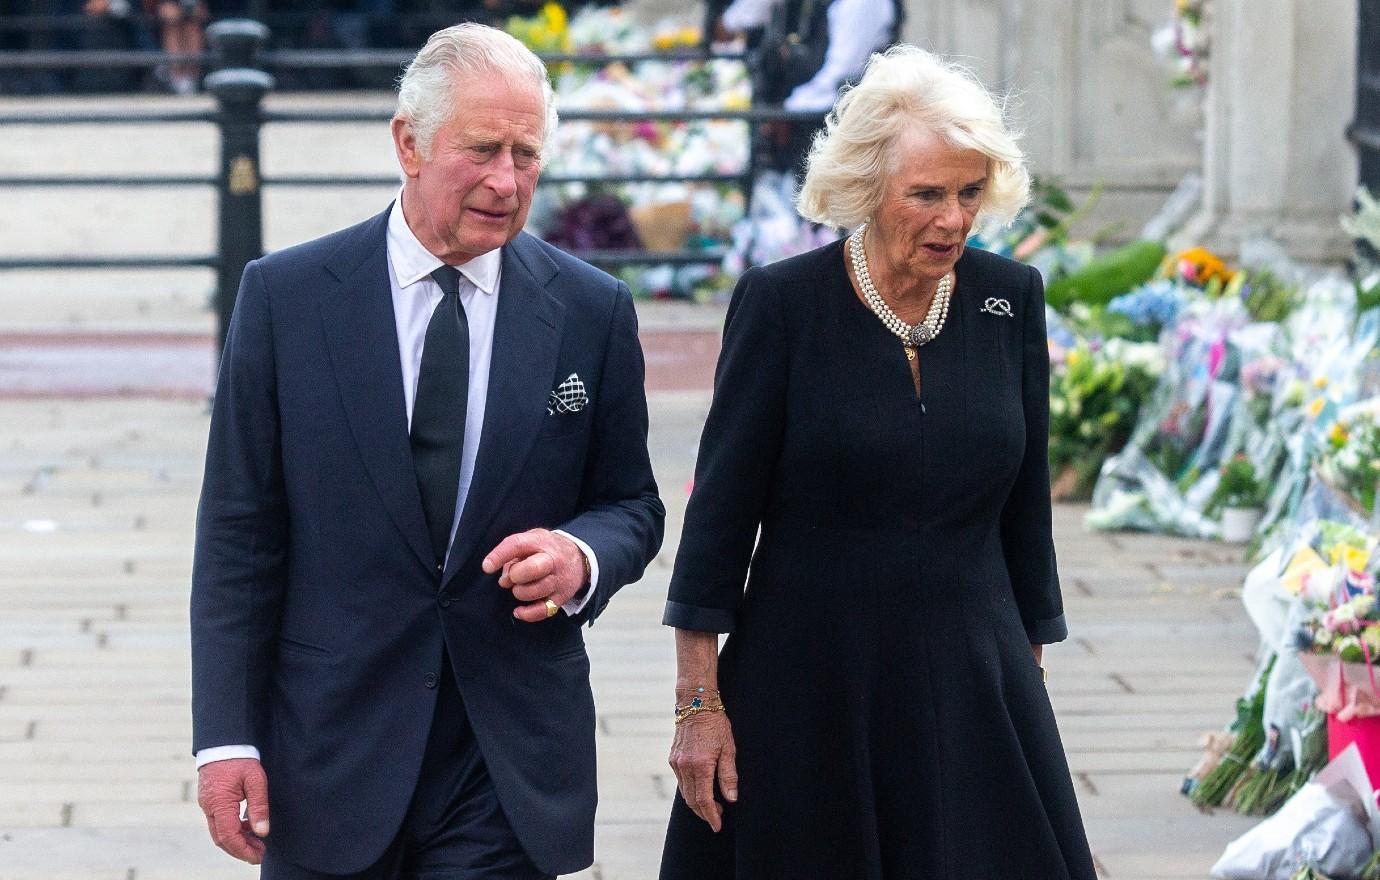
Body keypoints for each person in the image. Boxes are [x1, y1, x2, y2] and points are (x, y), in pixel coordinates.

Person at [191, 23, 665, 880]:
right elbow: (238, 534)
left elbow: (633, 502)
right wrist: (225, 739)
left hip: (506, 755)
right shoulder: (287, 300)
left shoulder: (592, 311)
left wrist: (581, 556)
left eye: (527, 155)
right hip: (331, 750)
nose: (506, 180)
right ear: (408, 143)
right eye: (483, 150)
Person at [659, 45, 1098, 879]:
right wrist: (699, 703)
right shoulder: (783, 306)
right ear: (867, 188)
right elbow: (717, 524)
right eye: (926, 194)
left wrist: (1026, 671)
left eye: (971, 193)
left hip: (976, 677)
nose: (953, 220)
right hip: (811, 683)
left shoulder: (1010, 299)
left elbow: (1024, 506)